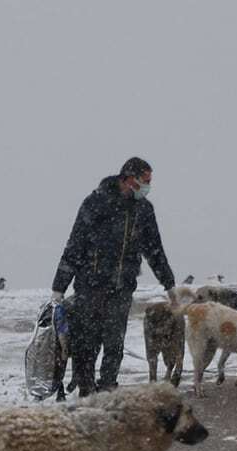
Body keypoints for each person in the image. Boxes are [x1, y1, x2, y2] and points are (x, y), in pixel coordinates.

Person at [50, 157, 177, 397]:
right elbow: (75, 245)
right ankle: (86, 390)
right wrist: (59, 287)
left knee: (114, 342)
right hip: (90, 286)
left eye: (150, 182)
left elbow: (155, 250)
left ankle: (108, 387)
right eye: (145, 181)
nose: (148, 187)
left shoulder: (143, 210)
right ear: (129, 179)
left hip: (122, 288)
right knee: (87, 342)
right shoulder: (96, 203)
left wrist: (169, 283)